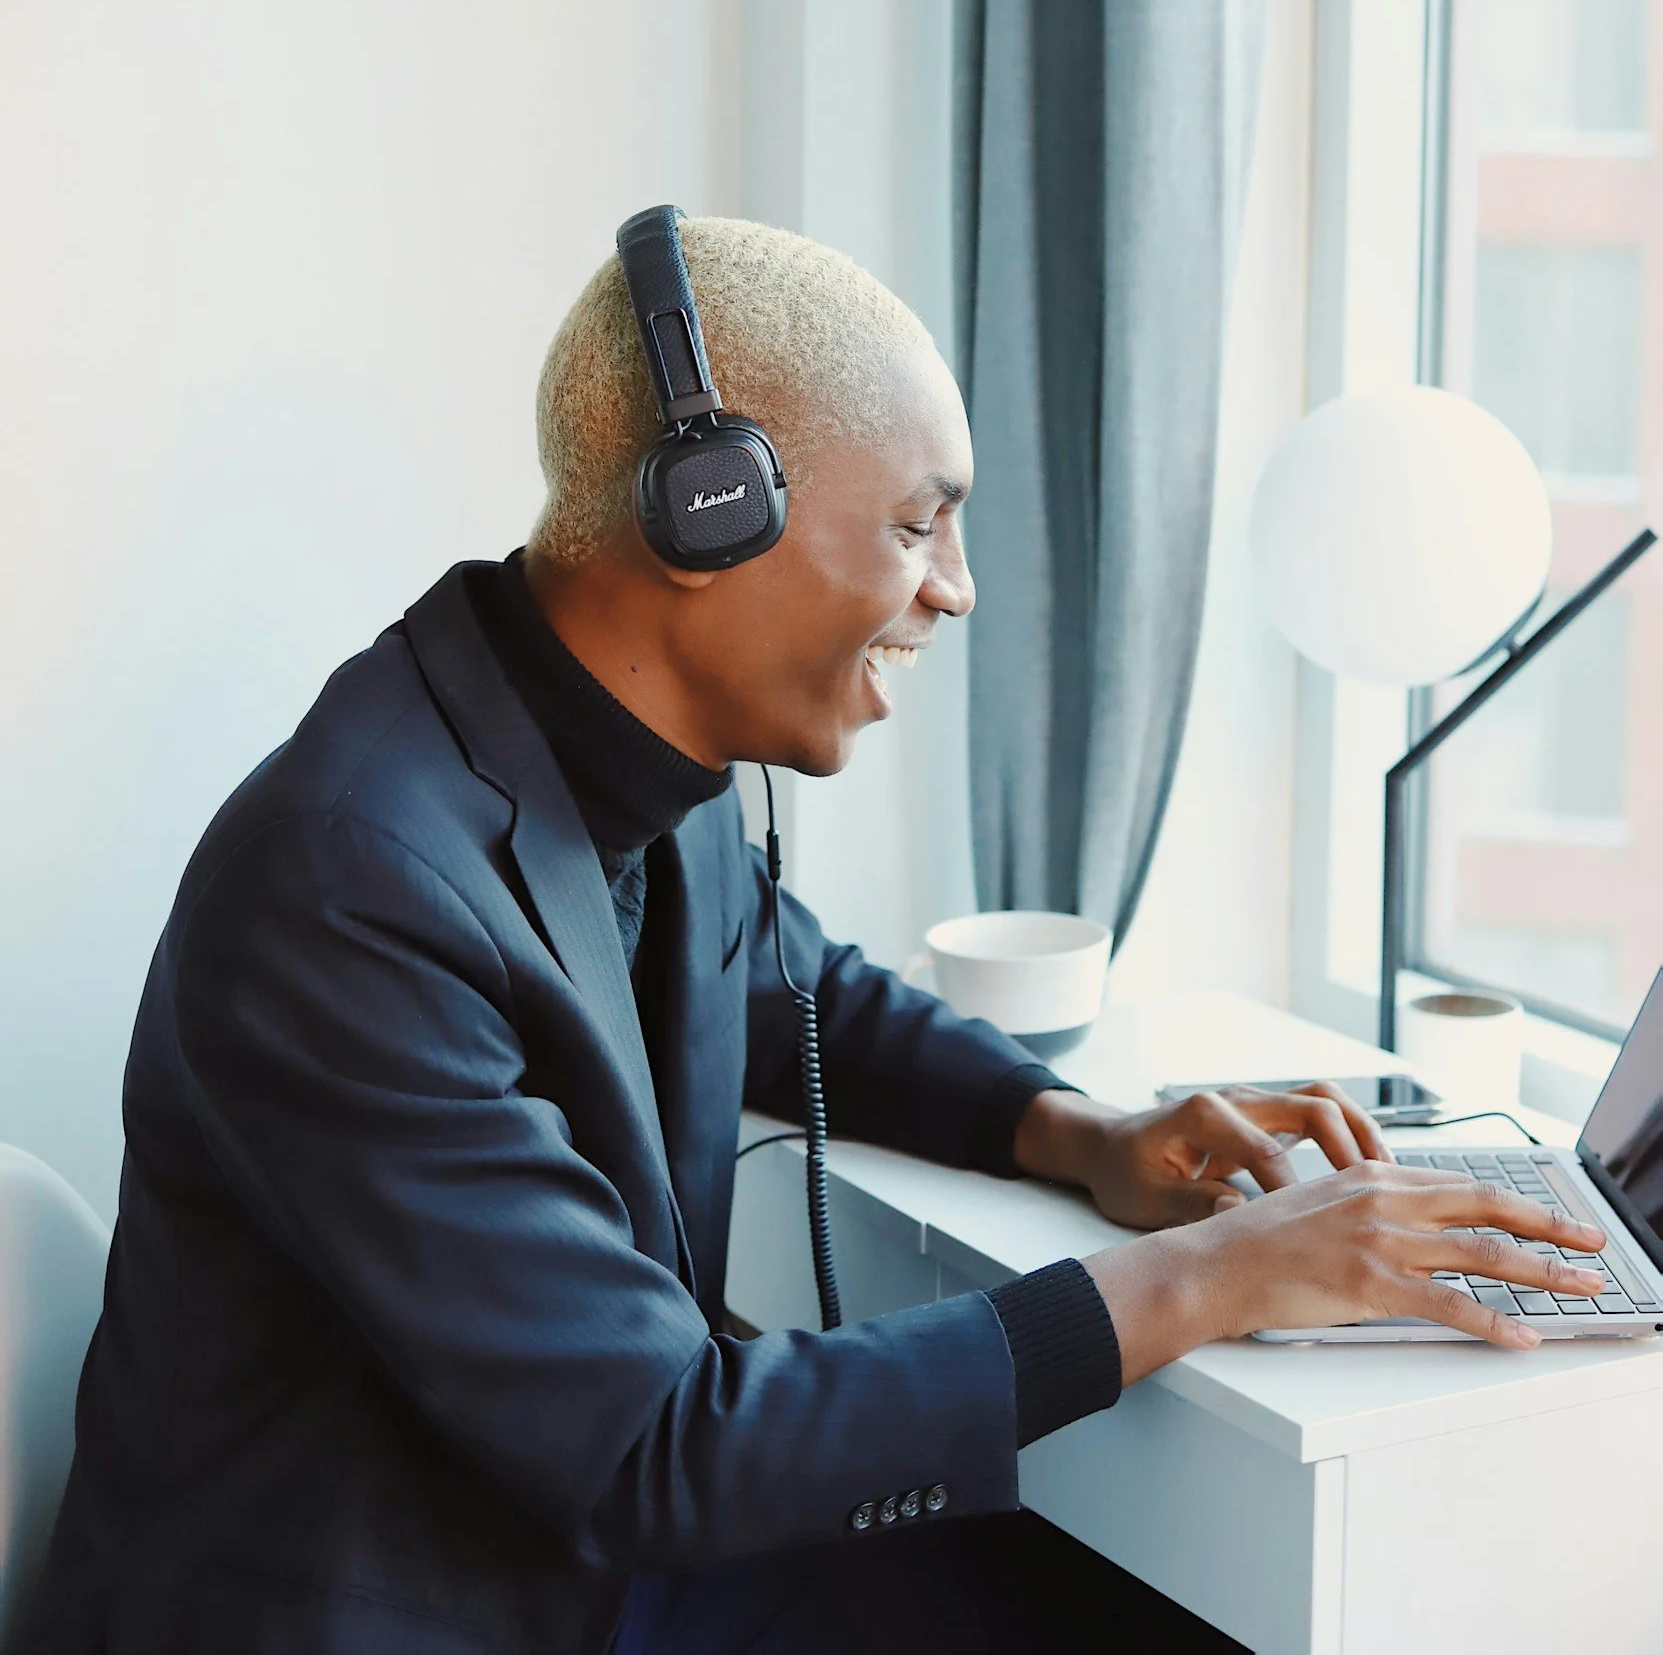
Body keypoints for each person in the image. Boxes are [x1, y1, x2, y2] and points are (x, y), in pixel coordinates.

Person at [23, 216, 1606, 1655]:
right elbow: (657, 1448)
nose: (958, 591)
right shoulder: (346, 885)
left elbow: (798, 992)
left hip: (570, 1552)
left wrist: (1084, 1133)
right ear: (715, 514)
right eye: (921, 527)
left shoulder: (631, 753)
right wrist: (1209, 1278)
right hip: (396, 1612)